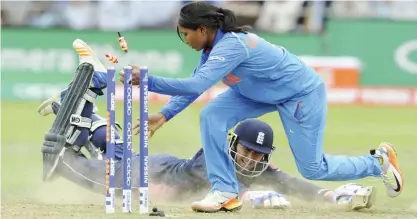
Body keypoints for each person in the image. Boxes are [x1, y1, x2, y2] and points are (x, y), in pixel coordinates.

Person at [118, 1, 403, 213]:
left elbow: (194, 86)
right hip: (256, 93)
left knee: (313, 168)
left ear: (202, 29)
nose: (185, 41)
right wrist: (165, 115)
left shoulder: (232, 46)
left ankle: (377, 163)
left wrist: (145, 79)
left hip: (299, 94)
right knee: (212, 114)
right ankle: (225, 191)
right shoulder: (210, 51)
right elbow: (197, 83)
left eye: (185, 34)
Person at [39, 92, 377, 211]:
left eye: (260, 155)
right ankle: (71, 136)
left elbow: (289, 183)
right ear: (233, 144)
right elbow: (227, 191)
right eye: (248, 151)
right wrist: (252, 198)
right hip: (151, 175)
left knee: (117, 155)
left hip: (159, 167)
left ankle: (88, 122)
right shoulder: (212, 159)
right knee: (73, 169)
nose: (253, 159)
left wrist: (330, 196)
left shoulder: (259, 170)